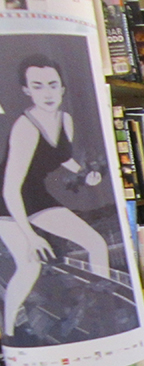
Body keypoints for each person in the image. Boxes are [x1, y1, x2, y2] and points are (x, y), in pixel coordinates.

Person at [0, 54, 110, 342]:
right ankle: (9, 333)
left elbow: (61, 156)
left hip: (36, 196)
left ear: (62, 88)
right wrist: (31, 236)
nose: (47, 93)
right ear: (26, 90)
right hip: (6, 201)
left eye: (52, 85)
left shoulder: (65, 120)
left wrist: (84, 174)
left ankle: (98, 312)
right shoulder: (25, 127)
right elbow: (10, 188)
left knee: (96, 243)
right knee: (29, 265)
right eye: (37, 86)